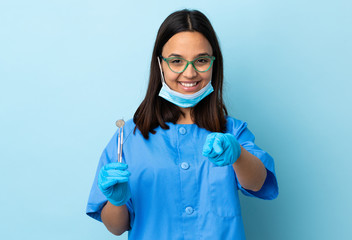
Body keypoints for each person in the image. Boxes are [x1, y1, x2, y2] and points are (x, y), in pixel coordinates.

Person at [86, 9, 278, 240]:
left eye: (201, 60)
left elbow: (258, 183)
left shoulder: (232, 131)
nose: (190, 72)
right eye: (176, 61)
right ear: (160, 64)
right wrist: (117, 201)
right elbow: (116, 228)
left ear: (214, 64)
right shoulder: (127, 137)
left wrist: (237, 154)